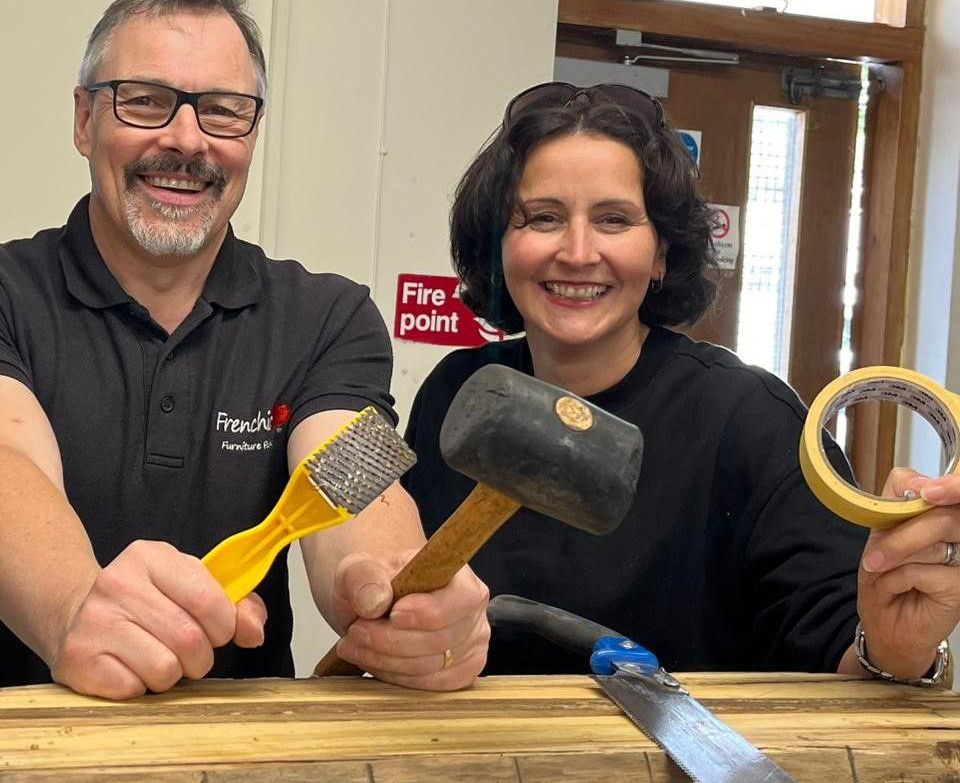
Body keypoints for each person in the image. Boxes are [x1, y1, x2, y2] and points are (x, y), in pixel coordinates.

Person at [0, 0, 490, 699]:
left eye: (222, 110)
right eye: (145, 102)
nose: (187, 141)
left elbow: (354, 490)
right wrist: (75, 610)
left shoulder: (331, 319)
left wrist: (391, 589)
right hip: (7, 754)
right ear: (85, 120)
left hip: (238, 755)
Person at [404, 80, 959, 686]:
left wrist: (897, 648)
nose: (578, 251)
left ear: (662, 253)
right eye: (543, 218)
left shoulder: (750, 420)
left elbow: (839, 650)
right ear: (498, 247)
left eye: (615, 220)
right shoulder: (456, 390)